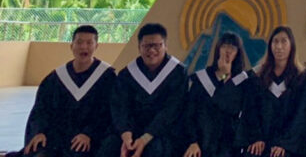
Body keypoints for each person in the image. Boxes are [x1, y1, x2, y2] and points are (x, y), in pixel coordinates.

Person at [20, 25, 116, 157]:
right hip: (56, 136)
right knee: (37, 152)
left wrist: (89, 134)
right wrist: (39, 132)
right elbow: (41, 109)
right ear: (72, 46)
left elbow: (108, 113)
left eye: (89, 43)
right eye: (79, 42)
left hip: (90, 139)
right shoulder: (55, 78)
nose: (84, 47)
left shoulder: (107, 77)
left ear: (96, 46)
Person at [98, 23, 186, 157]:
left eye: (157, 45)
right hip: (130, 130)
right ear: (139, 47)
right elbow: (120, 107)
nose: (152, 50)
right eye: (146, 46)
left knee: (157, 150)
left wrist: (146, 138)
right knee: (109, 147)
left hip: (161, 132)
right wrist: (126, 134)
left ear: (165, 46)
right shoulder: (127, 74)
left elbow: (172, 109)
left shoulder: (178, 72)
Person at [240, 26, 306, 157]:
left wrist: (284, 144)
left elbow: (301, 116)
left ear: (291, 45)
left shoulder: (302, 78)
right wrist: (256, 137)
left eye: (284, 41)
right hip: (261, 141)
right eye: (275, 41)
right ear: (270, 46)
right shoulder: (258, 76)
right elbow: (251, 110)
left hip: (289, 145)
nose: (279, 46)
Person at [182, 32, 249, 157]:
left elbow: (229, 107)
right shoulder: (202, 78)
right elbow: (190, 112)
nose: (228, 51)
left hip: (228, 146)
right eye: (224, 46)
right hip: (200, 142)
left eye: (232, 48)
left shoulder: (242, 81)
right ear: (218, 49)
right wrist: (193, 141)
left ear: (238, 53)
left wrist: (225, 76)